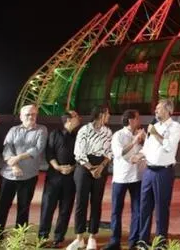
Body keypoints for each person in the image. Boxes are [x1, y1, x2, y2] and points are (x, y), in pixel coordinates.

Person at [138, 97, 180, 248]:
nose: (156, 110)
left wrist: (156, 133)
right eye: (156, 108)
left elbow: (169, 147)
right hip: (148, 171)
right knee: (144, 207)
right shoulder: (154, 126)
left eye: (159, 108)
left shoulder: (175, 127)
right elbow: (147, 148)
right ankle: (143, 240)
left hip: (163, 172)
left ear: (168, 110)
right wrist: (138, 155)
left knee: (161, 208)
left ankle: (160, 242)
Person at [68, 105, 113, 250]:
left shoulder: (107, 132)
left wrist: (100, 168)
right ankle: (79, 238)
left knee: (96, 202)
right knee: (81, 202)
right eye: (107, 114)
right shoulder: (84, 130)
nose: (109, 116)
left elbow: (109, 153)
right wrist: (90, 168)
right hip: (83, 166)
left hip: (100, 167)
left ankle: (92, 236)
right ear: (101, 114)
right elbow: (79, 152)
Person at [0, 104, 47, 230]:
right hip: (8, 175)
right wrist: (14, 166)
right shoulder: (13, 130)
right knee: (2, 207)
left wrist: (18, 158)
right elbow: (7, 149)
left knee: (23, 209)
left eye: (34, 114)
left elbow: (37, 149)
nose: (31, 117)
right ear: (21, 116)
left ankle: (20, 238)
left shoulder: (41, 130)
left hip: (29, 176)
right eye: (28, 114)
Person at [39, 110, 80, 246]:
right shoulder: (55, 134)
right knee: (47, 207)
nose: (78, 118)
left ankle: (58, 238)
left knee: (65, 209)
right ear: (68, 120)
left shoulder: (78, 136)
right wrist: (58, 167)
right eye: (76, 116)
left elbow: (80, 156)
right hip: (54, 177)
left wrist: (72, 167)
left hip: (71, 178)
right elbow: (49, 153)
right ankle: (43, 237)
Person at [106, 109, 146, 250]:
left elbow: (146, 152)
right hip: (121, 178)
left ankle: (133, 241)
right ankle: (114, 241)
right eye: (137, 118)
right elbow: (120, 153)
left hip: (137, 177)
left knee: (137, 210)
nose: (139, 121)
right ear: (130, 120)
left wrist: (143, 141)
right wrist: (135, 141)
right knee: (116, 210)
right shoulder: (118, 135)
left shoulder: (141, 135)